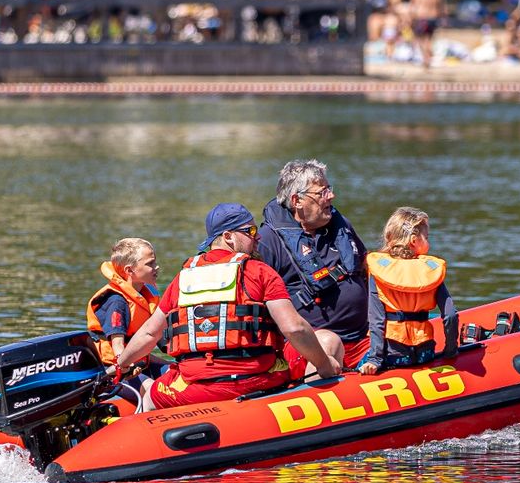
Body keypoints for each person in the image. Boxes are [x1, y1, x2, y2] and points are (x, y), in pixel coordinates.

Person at [113, 203, 340, 407]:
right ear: (229, 237)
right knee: (329, 340)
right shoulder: (259, 271)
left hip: (194, 389)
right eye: (251, 231)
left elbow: (149, 334)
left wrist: (121, 364)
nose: (258, 237)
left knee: (150, 397)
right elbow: (294, 328)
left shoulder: (183, 278)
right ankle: (309, 413)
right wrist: (324, 365)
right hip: (258, 380)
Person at [257, 159, 371, 376]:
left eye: (329, 188)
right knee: (329, 342)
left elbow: (365, 270)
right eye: (322, 192)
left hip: (361, 338)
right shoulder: (268, 242)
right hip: (310, 349)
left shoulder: (341, 227)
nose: (331, 196)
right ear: (297, 200)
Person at [358, 207, 458, 375]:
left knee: (354, 363)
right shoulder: (430, 272)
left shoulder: (379, 272)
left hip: (393, 355)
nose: (429, 242)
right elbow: (450, 315)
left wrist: (374, 360)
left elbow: (376, 320)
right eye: (427, 237)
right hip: (424, 353)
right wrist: (451, 351)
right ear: (413, 240)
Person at [88, 237, 161, 402]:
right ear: (129, 270)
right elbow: (118, 346)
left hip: (140, 363)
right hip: (115, 370)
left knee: (177, 375)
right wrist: (128, 366)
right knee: (155, 392)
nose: (156, 267)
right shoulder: (116, 301)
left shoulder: (145, 296)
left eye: (155, 262)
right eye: (150, 263)